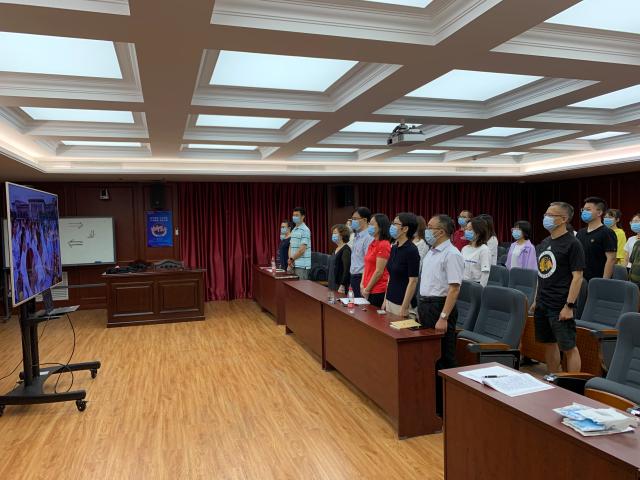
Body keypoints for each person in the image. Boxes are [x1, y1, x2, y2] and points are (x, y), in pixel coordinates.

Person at [418, 214, 463, 415]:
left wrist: (443, 317)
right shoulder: (431, 252)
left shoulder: (452, 254)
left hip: (440, 307)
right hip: (426, 306)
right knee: (430, 356)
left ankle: (448, 407)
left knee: (445, 357)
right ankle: (433, 403)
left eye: (430, 227)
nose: (426, 230)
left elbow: (454, 288)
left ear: (441, 231)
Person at [534, 202, 585, 374]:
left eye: (550, 215)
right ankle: (553, 377)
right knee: (549, 343)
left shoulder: (573, 244)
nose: (546, 218)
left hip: (560, 304)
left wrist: (569, 306)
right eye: (545, 215)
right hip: (543, 302)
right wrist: (536, 299)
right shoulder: (545, 242)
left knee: (568, 347)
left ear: (563, 219)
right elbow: (541, 273)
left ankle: (573, 384)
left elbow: (577, 277)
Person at [384, 213, 420, 317]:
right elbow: (391, 277)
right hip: (390, 299)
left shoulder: (412, 250)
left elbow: (413, 281)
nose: (392, 226)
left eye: (395, 224)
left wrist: (404, 307)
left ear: (405, 229)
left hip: (402, 303)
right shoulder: (394, 247)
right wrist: (385, 300)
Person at [576, 197, 617, 281]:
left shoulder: (607, 232)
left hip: (597, 280)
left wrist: (604, 282)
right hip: (579, 280)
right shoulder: (580, 232)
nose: (584, 212)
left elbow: (611, 259)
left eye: (588, 209)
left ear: (599, 213)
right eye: (583, 209)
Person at [361, 213, 391, 308]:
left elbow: (379, 271)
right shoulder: (373, 242)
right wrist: (362, 284)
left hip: (377, 290)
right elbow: (366, 265)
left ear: (380, 227)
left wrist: (367, 289)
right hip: (366, 288)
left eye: (372, 224)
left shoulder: (384, 244)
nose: (369, 226)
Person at [349, 207, 374, 297]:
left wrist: (363, 282)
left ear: (365, 220)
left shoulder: (369, 237)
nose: (353, 221)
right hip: (353, 276)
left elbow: (369, 262)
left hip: (362, 277)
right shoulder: (357, 236)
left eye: (355, 219)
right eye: (352, 219)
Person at [461, 217, 491, 286]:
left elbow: (485, 273)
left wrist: (480, 289)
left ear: (478, 232)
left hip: (475, 285)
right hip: (462, 283)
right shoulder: (465, 248)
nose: (466, 231)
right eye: (466, 229)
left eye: (470, 229)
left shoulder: (484, 249)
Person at [288, 207, 312, 279]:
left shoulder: (305, 230)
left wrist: (291, 259)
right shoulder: (294, 230)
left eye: (297, 215)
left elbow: (302, 250)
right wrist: (290, 259)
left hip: (302, 265)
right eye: (293, 215)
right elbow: (291, 246)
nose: (294, 217)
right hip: (293, 263)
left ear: (303, 216)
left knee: (301, 285)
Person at [331, 224, 351, 293]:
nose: (333, 235)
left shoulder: (346, 250)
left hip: (340, 285)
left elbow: (346, 269)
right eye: (333, 233)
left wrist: (342, 284)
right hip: (332, 282)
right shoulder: (336, 248)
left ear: (342, 235)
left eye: (335, 233)